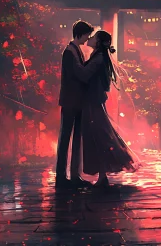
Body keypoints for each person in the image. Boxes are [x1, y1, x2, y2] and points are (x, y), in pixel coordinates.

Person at [80, 30, 140, 187]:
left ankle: (102, 175)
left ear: (99, 42)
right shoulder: (99, 57)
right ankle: (101, 175)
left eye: (94, 37)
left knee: (98, 137)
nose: (91, 38)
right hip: (94, 101)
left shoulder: (98, 58)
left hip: (93, 102)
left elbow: (84, 75)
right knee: (100, 136)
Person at [55, 20, 95, 188]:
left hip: (76, 101)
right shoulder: (70, 52)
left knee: (75, 138)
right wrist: (94, 65)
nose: (87, 39)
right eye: (86, 35)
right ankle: (62, 176)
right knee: (65, 139)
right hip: (71, 101)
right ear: (80, 34)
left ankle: (74, 175)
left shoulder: (74, 50)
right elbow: (80, 73)